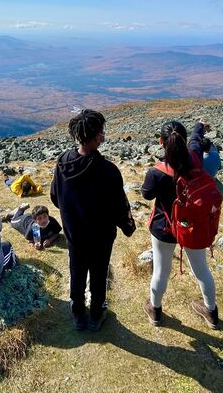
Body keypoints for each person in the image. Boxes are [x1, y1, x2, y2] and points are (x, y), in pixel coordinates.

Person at [51, 109, 136, 331]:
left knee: (77, 271)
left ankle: (78, 313)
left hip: (74, 235)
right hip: (101, 237)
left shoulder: (62, 163)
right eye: (101, 132)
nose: (103, 135)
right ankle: (96, 314)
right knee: (99, 273)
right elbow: (120, 206)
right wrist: (128, 226)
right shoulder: (108, 170)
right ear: (97, 135)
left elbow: (55, 197)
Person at [141, 119, 219, 329]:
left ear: (160, 141)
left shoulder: (156, 172)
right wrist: (200, 125)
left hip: (164, 228)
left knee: (160, 271)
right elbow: (197, 139)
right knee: (202, 270)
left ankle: (155, 311)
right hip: (193, 226)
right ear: (183, 142)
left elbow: (147, 194)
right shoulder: (194, 157)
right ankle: (211, 312)